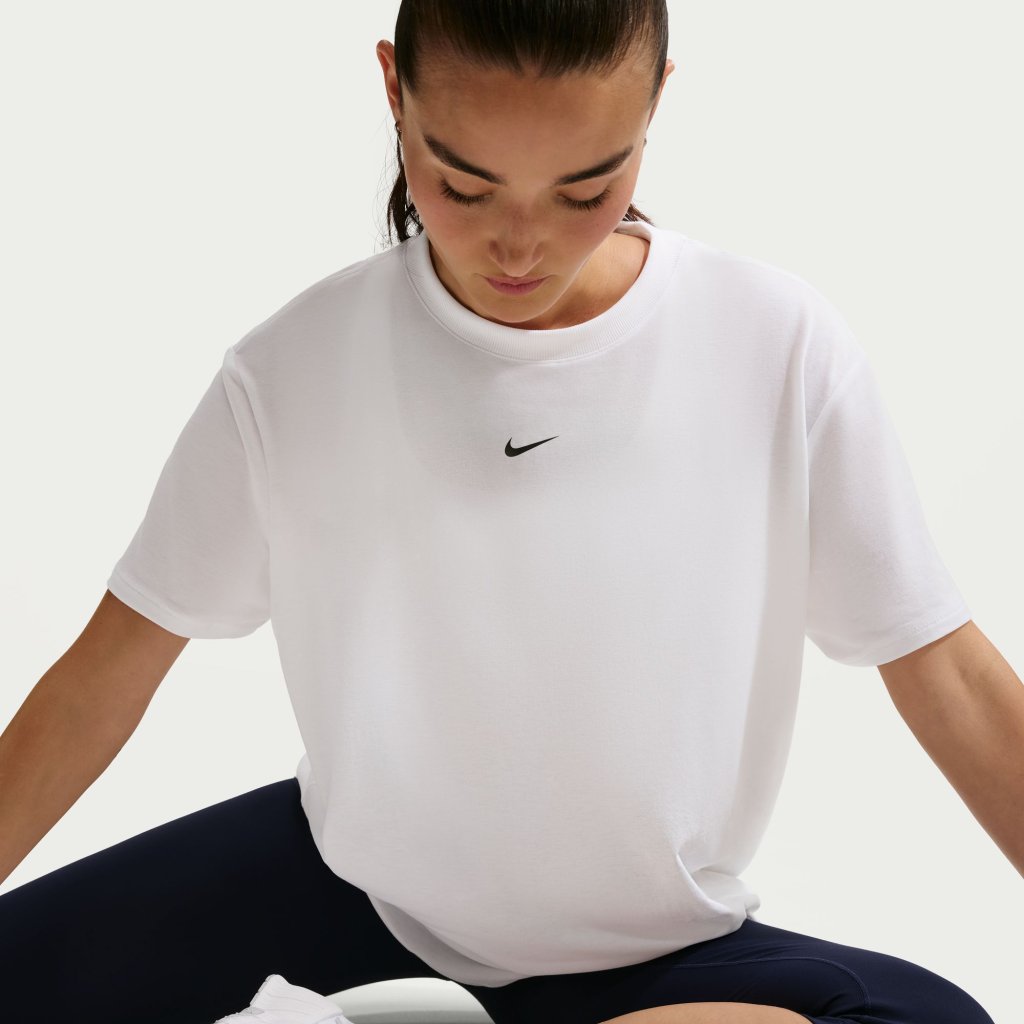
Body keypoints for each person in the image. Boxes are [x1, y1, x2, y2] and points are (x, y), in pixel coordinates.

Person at [0, 3, 1001, 1023]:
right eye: (464, 186)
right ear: (394, 92)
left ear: (655, 106)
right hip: (354, 890)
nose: (518, 245)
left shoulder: (775, 345)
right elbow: (102, 677)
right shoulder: (293, 368)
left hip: (652, 950)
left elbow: (948, 676)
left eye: (586, 191)